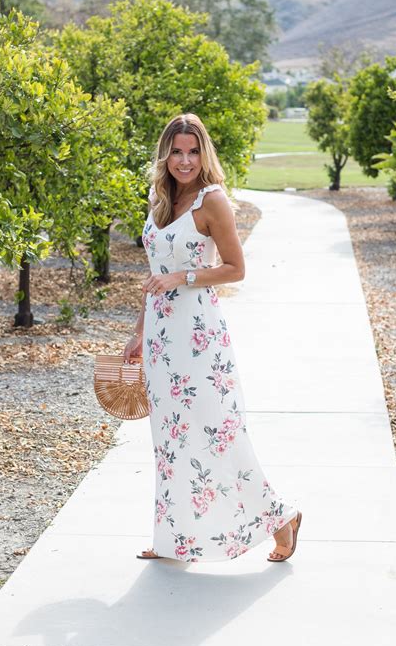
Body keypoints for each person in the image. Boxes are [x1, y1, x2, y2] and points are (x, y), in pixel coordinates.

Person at [123, 113, 302, 563]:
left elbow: (235, 269)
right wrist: (139, 333)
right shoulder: (161, 198)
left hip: (199, 337)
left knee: (217, 435)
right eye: (177, 152)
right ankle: (174, 540)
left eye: (193, 151)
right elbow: (154, 273)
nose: (185, 161)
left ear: (204, 154)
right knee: (170, 440)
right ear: (165, 155)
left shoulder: (212, 201)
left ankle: (281, 517)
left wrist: (182, 278)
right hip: (162, 338)